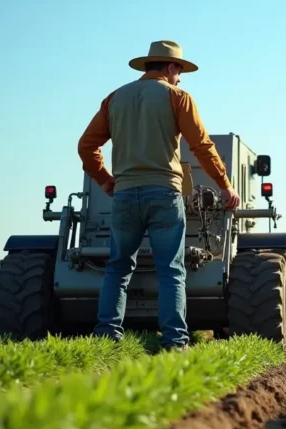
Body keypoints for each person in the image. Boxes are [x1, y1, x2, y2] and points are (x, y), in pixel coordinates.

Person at [77, 39, 240, 351]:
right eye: (179, 72)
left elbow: (86, 146)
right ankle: (175, 342)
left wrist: (105, 181)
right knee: (171, 270)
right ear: (170, 68)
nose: (180, 78)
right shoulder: (177, 96)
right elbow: (201, 146)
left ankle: (106, 337)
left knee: (117, 267)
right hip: (164, 193)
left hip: (124, 196)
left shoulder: (115, 99)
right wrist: (224, 183)